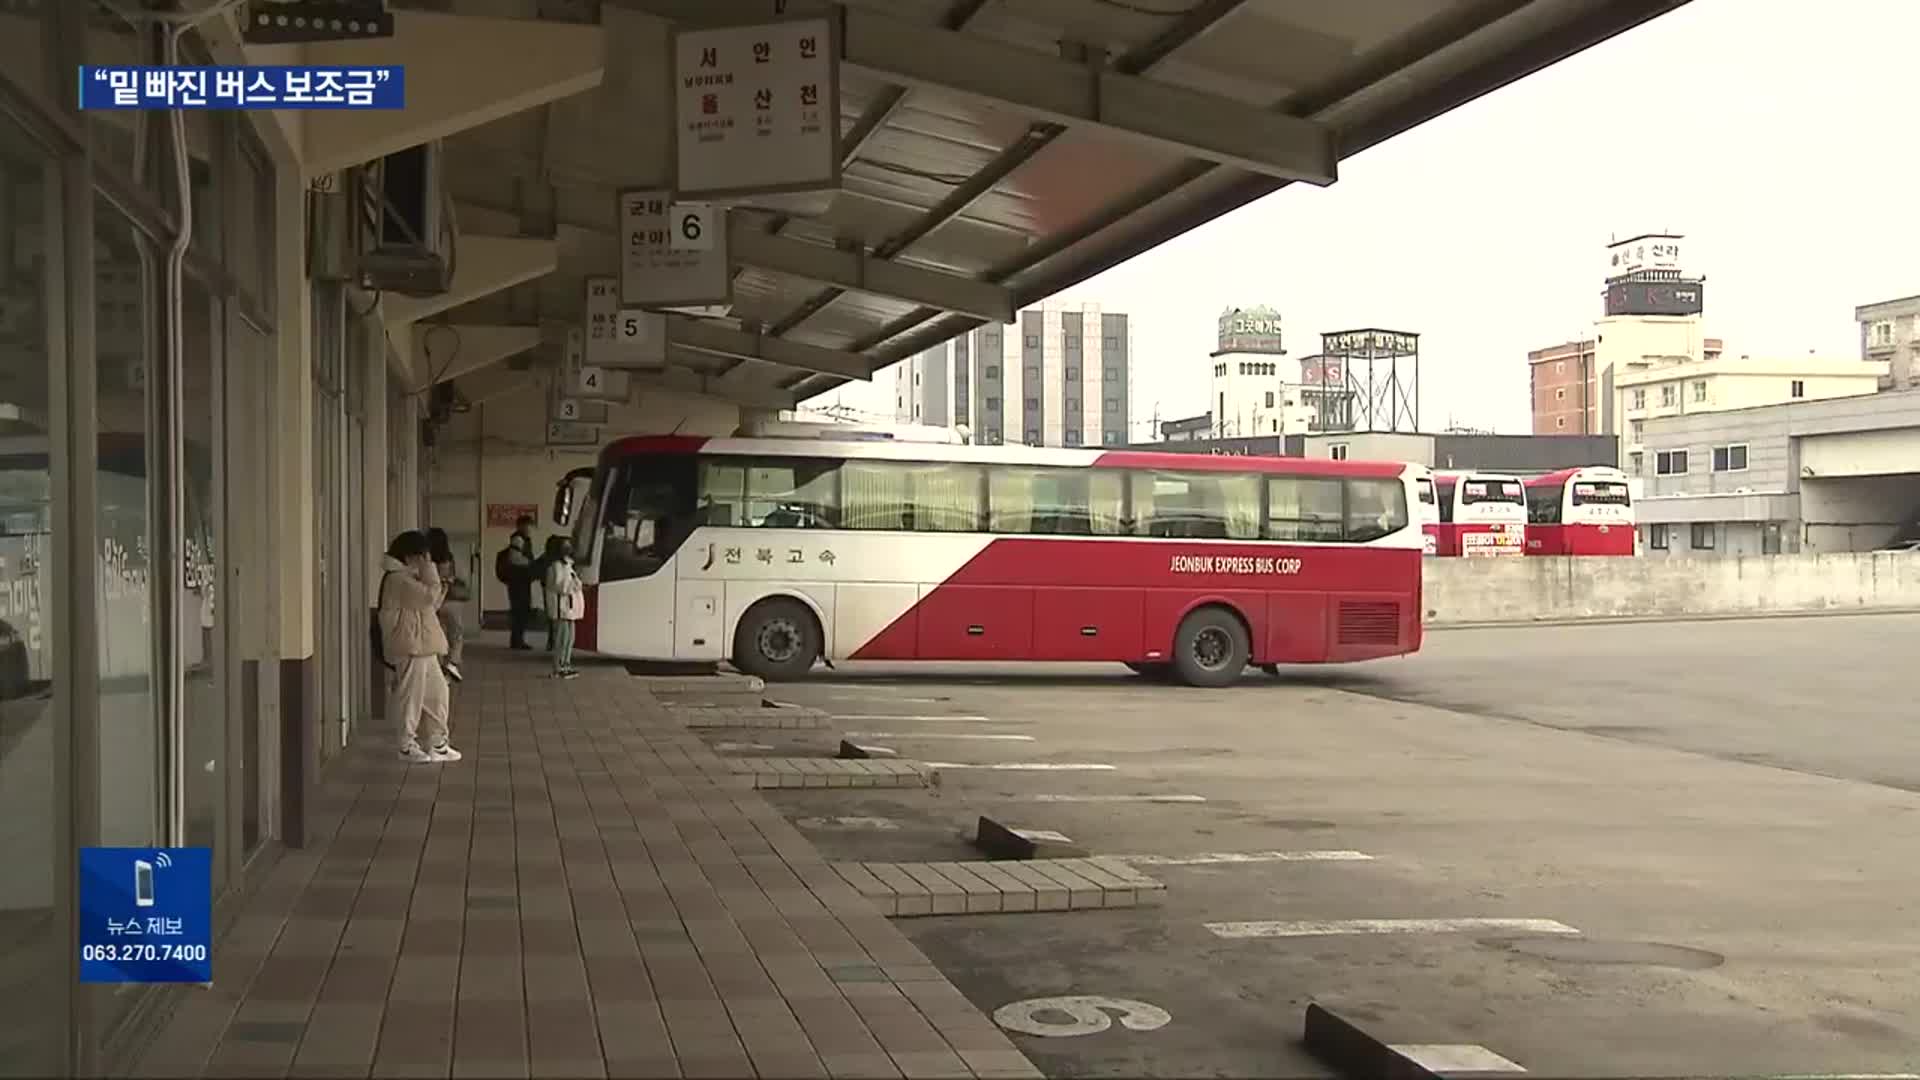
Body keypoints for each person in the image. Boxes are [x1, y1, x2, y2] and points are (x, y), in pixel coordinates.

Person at [377, 530, 461, 763]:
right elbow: (427, 597)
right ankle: (406, 744)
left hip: (422, 644)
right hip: (409, 645)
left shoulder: (407, 577)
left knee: (438, 694)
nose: (426, 560)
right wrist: (432, 572)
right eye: (422, 556)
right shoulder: (398, 579)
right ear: (410, 555)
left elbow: (430, 605)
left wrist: (437, 583)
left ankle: (438, 742)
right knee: (410, 697)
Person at [425, 527, 466, 684]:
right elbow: (460, 577)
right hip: (452, 601)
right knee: (456, 635)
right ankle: (452, 663)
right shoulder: (449, 558)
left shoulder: (427, 560)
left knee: (439, 634)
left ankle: (439, 668)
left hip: (435, 602)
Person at [544, 537, 585, 679]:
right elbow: (562, 586)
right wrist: (574, 584)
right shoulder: (556, 566)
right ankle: (558, 666)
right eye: (565, 545)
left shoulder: (568, 565)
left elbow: (576, 583)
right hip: (561, 609)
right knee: (562, 638)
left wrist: (575, 584)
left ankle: (566, 664)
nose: (569, 548)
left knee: (570, 638)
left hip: (569, 609)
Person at [497, 515, 538, 650]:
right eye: (528, 525)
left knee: (520, 610)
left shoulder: (522, 539)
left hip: (519, 581)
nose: (529, 528)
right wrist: (531, 564)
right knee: (520, 610)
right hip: (518, 581)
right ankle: (517, 641)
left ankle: (518, 640)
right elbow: (514, 558)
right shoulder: (518, 539)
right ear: (521, 526)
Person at [535, 534, 565, 652]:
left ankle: (551, 641)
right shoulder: (560, 559)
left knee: (551, 617)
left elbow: (536, 569)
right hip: (560, 591)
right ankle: (557, 642)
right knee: (560, 618)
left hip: (547, 590)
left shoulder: (545, 557)